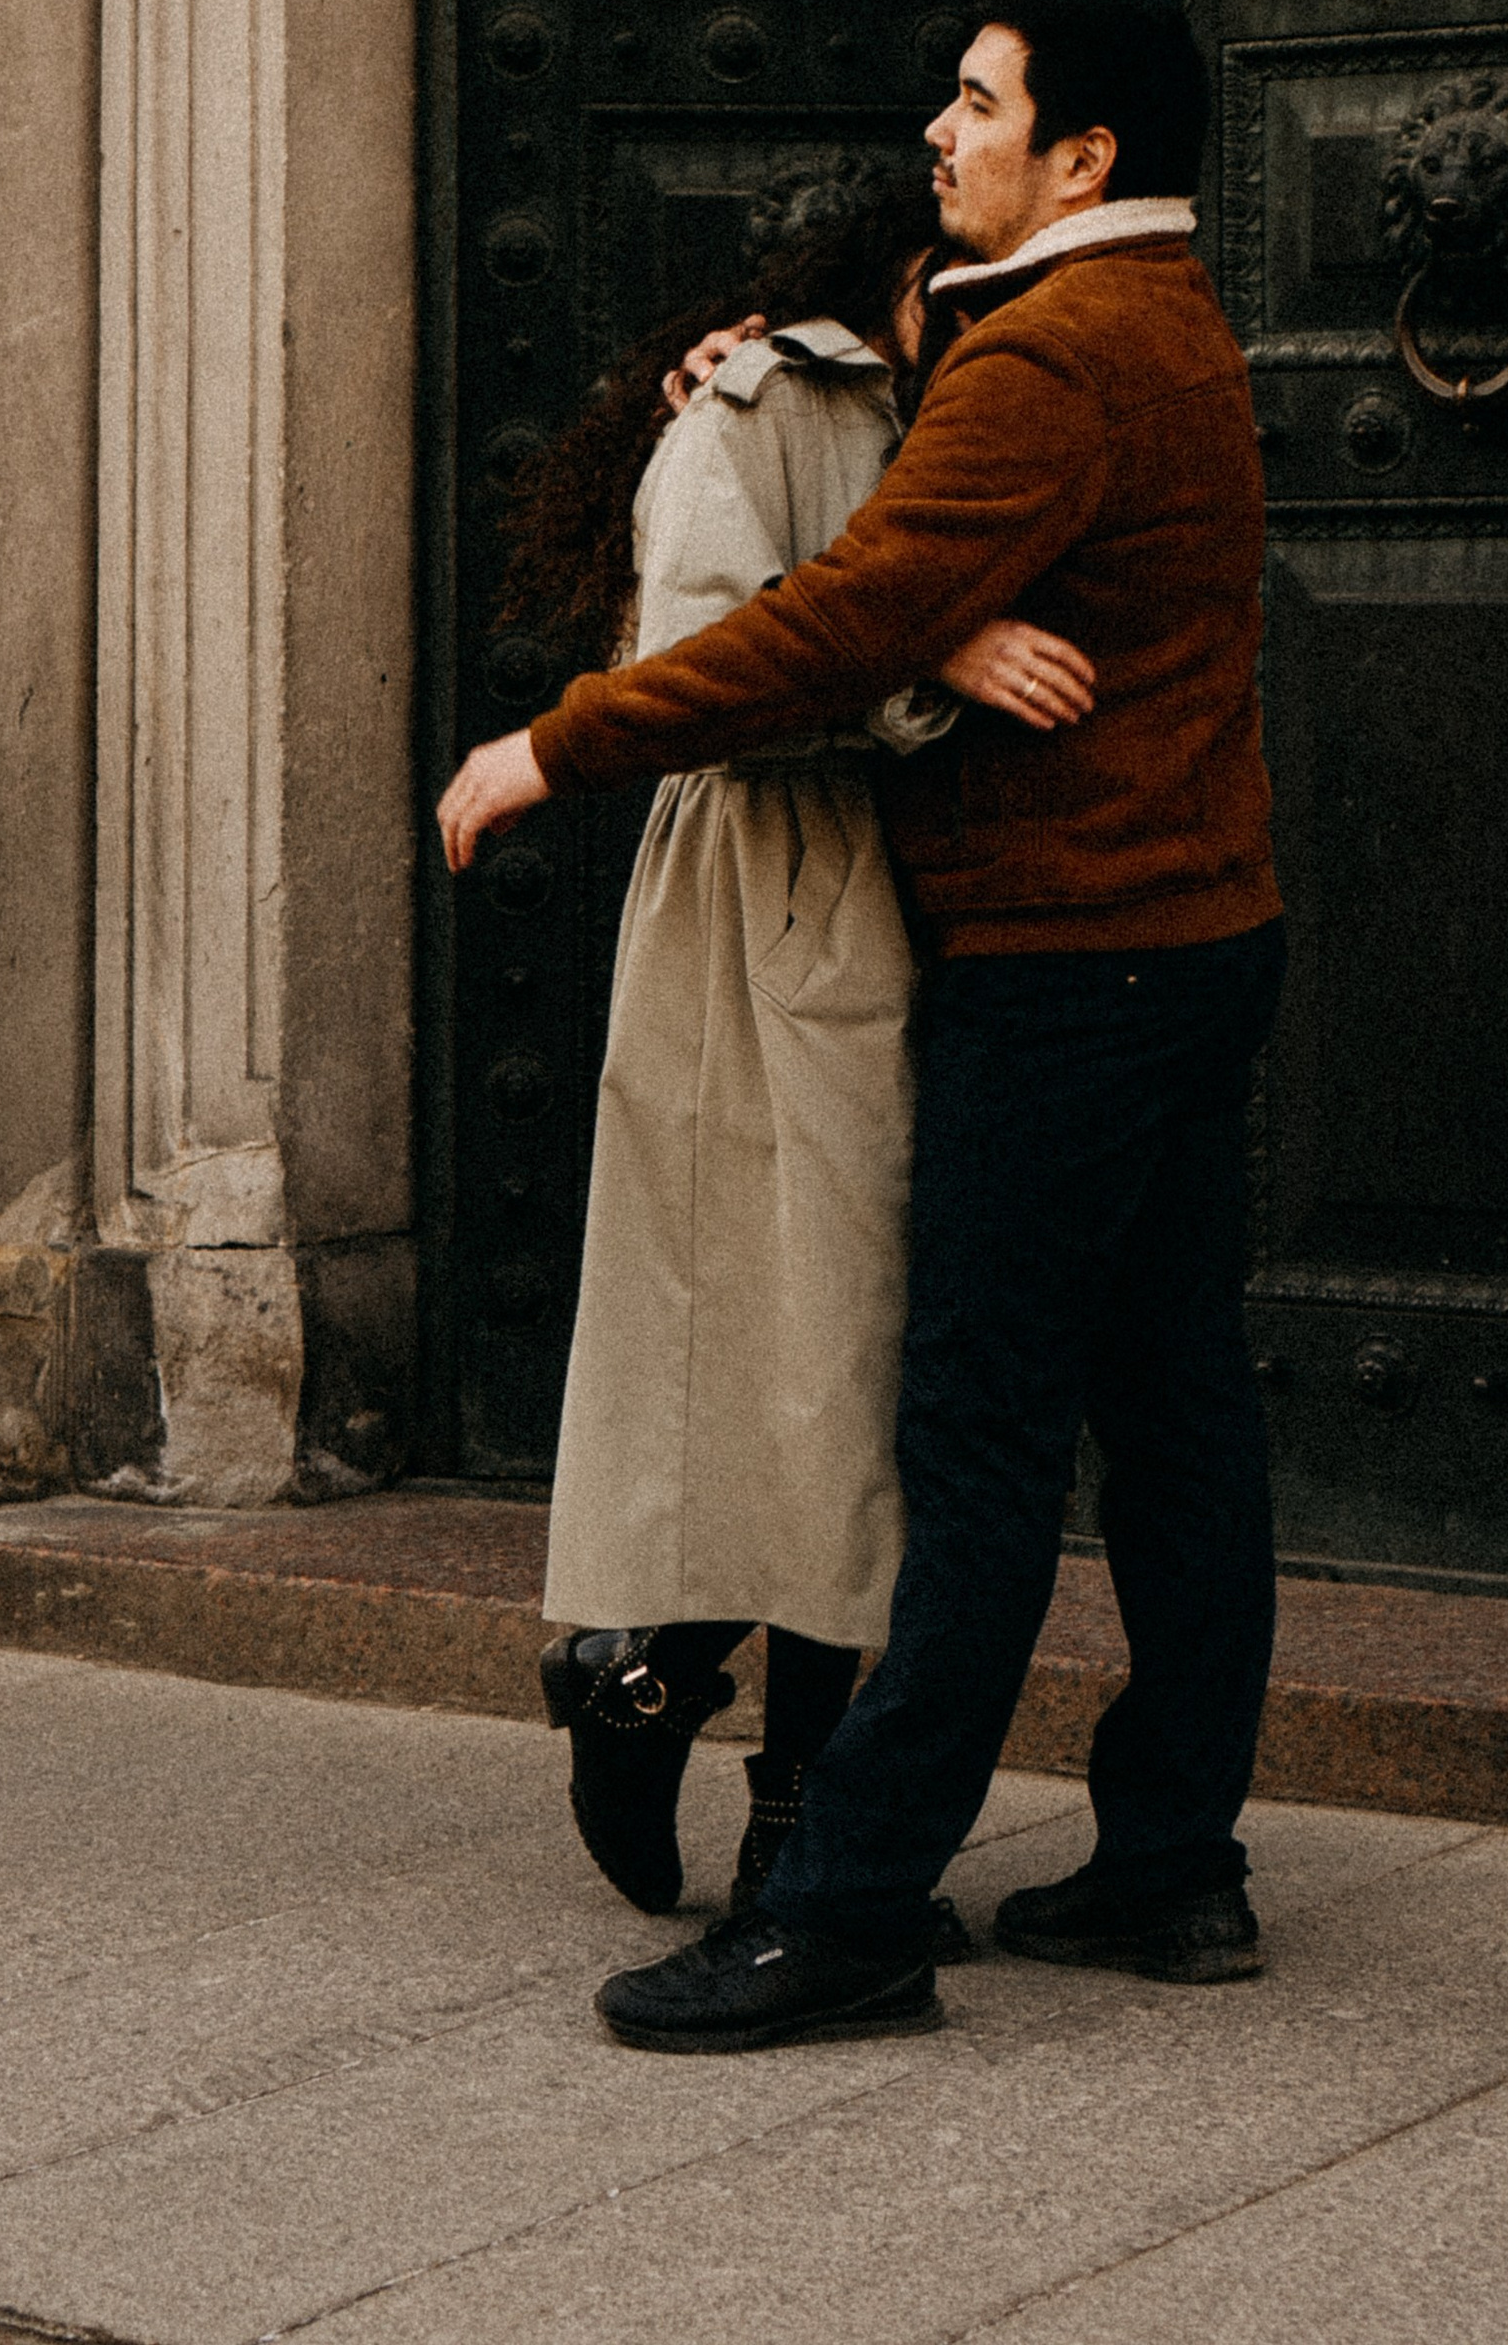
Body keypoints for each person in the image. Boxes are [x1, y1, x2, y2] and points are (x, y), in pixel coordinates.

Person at [441, 0, 1285, 2054]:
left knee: (974, 1447)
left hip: (1065, 964)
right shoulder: (1160, 322)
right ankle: (1172, 1862)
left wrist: (552, 745)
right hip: (1193, 937)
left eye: (980, 106)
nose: (942, 131)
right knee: (1179, 1427)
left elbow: (835, 622)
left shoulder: (1050, 356)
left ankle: (847, 1905)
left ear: (1078, 154)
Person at [497, 156, 1096, 1929]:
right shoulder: (753, 410)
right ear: (884, 281)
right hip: (775, 906)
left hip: (928, 911)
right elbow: (713, 661)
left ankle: (710, 1733)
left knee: (872, 1370)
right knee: (817, 1348)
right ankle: (686, 1722)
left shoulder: (977, 390)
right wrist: (939, 661)